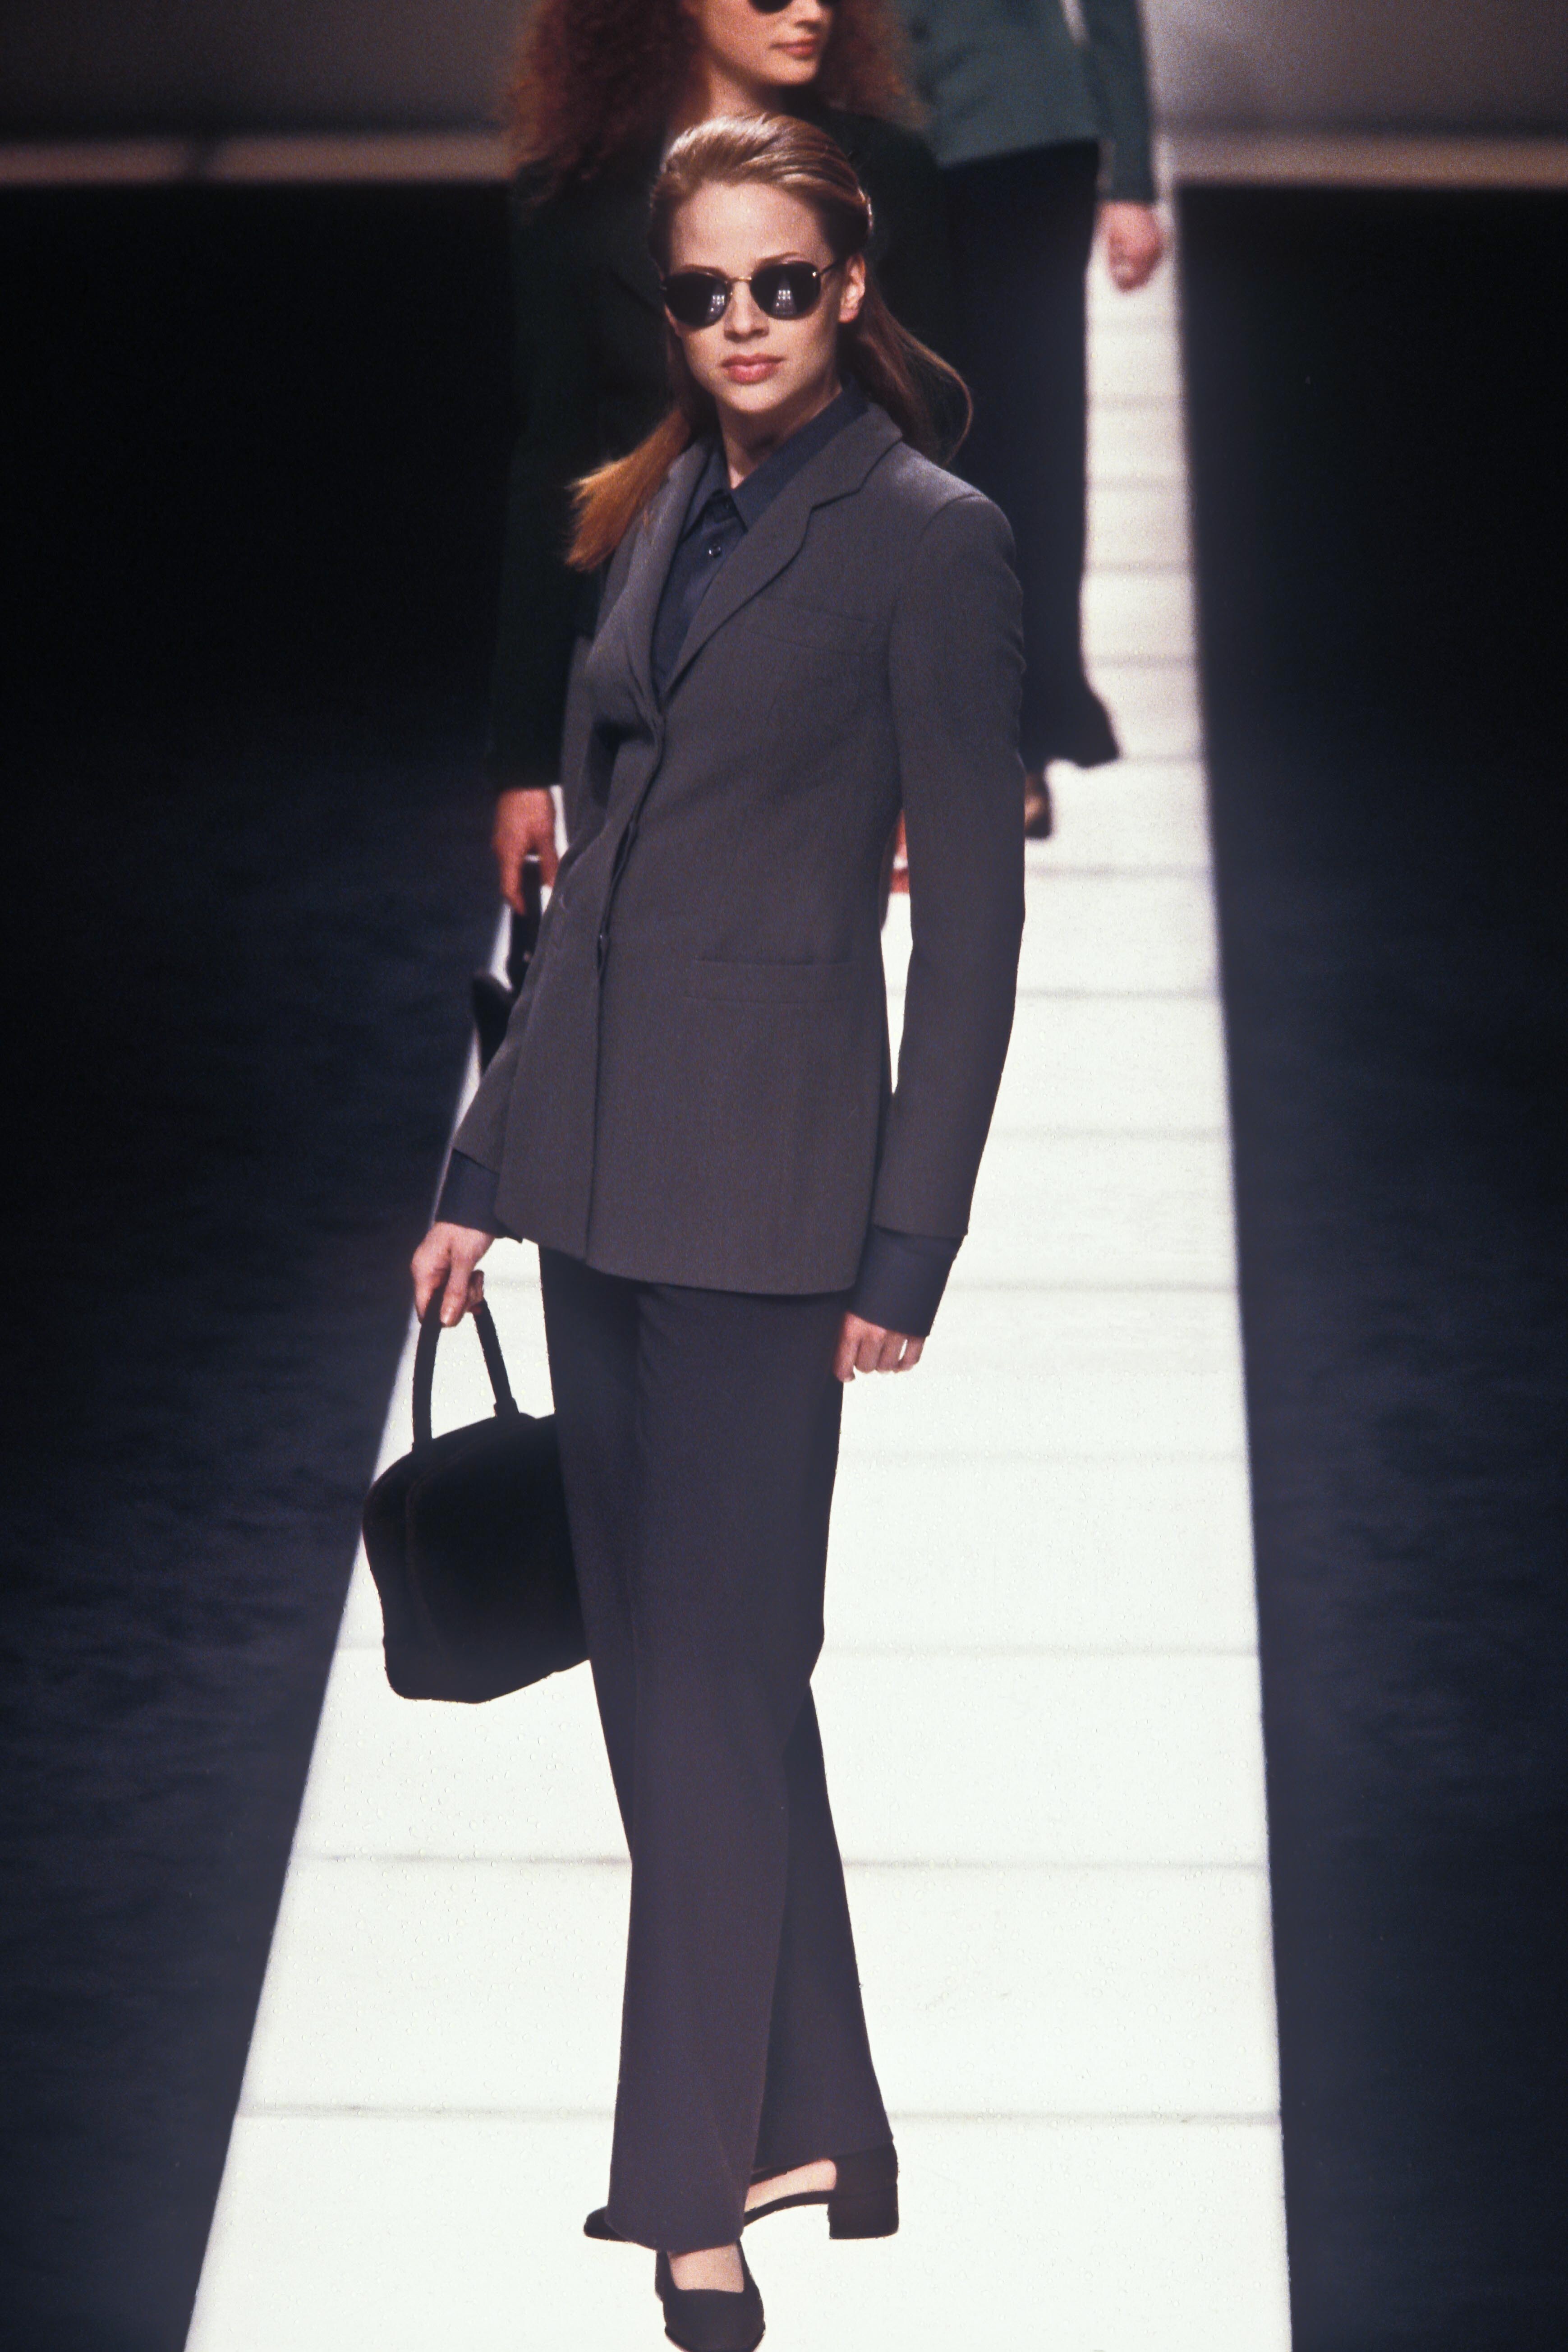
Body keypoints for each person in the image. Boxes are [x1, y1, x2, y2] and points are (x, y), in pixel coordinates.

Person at [412, 115, 1022, 2352]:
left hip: (773, 1194)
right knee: (682, 1684)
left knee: (714, 1686)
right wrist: (482, 1164)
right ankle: (818, 2112)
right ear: (663, 308)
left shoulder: (928, 541)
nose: (742, 323)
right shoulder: (660, 503)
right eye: (704, 291)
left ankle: (690, 2192)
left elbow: (973, 926)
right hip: (596, 1174)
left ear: (848, 285)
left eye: (779, 283)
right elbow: (587, 877)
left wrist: (906, 1241)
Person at [489, 0, 956, 911]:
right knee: (628, 969)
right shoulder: (572, 199)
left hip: (828, 660)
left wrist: (927, 745)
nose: (810, 10)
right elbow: (552, 469)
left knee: (802, 977)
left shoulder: (888, 180)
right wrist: (520, 762)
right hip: (630, 662)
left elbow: (931, 460)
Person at [893, 0, 1166, 835]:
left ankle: (1015, 737)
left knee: (1027, 442)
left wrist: (1131, 181)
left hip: (1020, 138)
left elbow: (1111, 12)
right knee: (901, 439)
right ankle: (911, 736)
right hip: (880, 135)